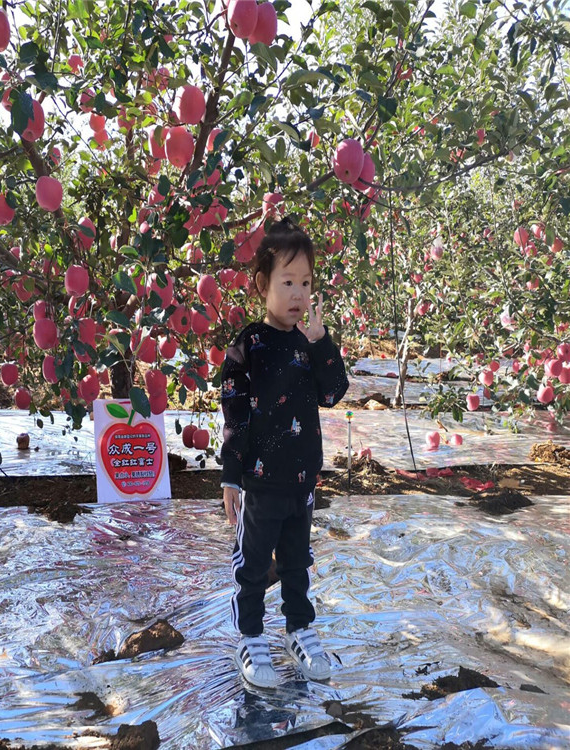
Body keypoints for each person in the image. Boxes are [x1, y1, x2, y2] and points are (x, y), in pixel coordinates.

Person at [220, 216, 349, 689]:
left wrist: (322, 346)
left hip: (302, 481)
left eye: (306, 283)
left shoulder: (308, 343)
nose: (299, 294)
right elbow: (234, 410)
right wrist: (231, 474)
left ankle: (299, 628)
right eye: (288, 282)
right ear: (263, 285)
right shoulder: (250, 344)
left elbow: (333, 393)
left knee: (297, 561)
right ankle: (250, 637)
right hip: (260, 479)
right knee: (253, 564)